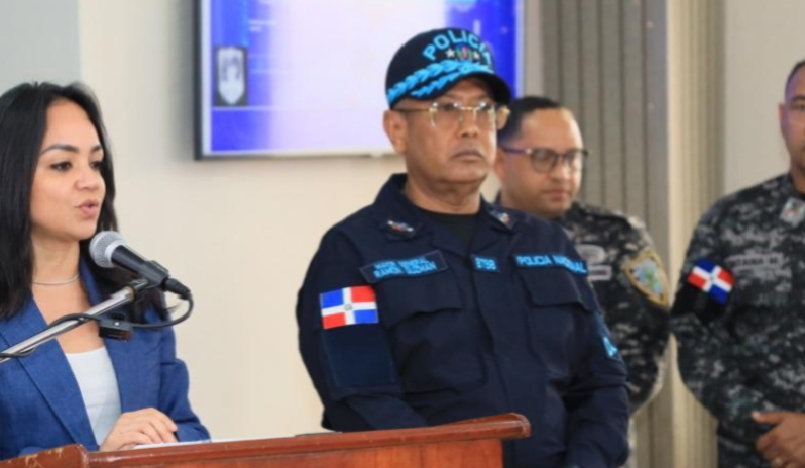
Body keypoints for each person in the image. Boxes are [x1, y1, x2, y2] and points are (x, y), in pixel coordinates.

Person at [297, 27, 629, 468]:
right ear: (397, 129)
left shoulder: (545, 242)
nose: (471, 126)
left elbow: (602, 384)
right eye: (447, 108)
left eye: (484, 109)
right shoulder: (353, 253)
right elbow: (362, 402)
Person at [0, 82, 209, 460]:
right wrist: (98, 458)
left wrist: (165, 441)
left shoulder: (133, 295)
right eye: (62, 165)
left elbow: (187, 426)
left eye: (95, 163)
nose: (90, 181)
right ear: (10, 175)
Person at [493, 97, 671, 467]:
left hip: (595, 449)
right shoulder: (469, 241)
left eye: (572, 158)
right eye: (543, 157)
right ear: (499, 161)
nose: (562, 173)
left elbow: (643, 354)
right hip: (496, 447)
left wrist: (586, 436)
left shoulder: (618, 237)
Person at [671, 58, 805, 468]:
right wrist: (766, 425)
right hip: (757, 453)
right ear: (782, 116)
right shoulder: (731, 221)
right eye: (802, 106)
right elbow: (695, 330)